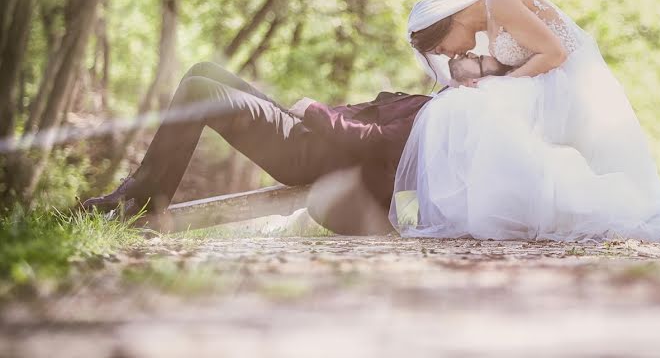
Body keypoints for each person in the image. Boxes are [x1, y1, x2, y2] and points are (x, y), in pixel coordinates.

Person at [391, 0, 660, 243]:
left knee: (477, 108)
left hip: (571, 90)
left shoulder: (501, 1)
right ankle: (513, 204)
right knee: (457, 106)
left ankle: (513, 206)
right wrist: (490, 75)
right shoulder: (491, 15)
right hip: (549, 87)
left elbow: (556, 54)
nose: (453, 55)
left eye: (444, 49)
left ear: (446, 24)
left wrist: (499, 84)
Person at [80, 60, 495, 234]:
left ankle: (141, 200)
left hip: (307, 152)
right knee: (203, 71)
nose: (466, 53)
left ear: (478, 82)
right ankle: (140, 192)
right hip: (306, 133)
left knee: (198, 90)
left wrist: (312, 110)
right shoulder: (439, 100)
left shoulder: (441, 116)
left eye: (475, 58)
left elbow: (376, 143)